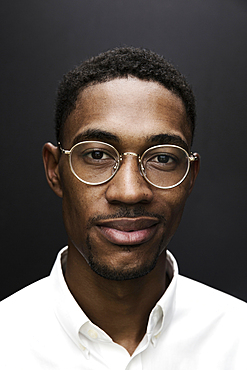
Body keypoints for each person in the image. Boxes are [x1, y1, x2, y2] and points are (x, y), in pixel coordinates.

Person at [0, 47, 246, 369]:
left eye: (162, 158)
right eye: (98, 156)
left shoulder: (239, 339)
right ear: (54, 169)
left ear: (190, 177)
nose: (130, 192)